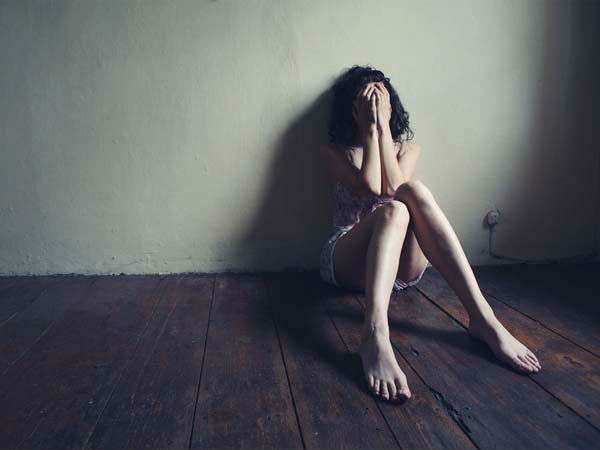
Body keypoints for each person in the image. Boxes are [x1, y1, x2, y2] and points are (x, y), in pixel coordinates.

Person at [319, 65, 541, 403]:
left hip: (400, 267)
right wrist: (370, 130)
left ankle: (483, 318)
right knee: (392, 210)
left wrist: (383, 131)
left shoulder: (408, 149)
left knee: (413, 192)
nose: (375, 106)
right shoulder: (335, 151)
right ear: (353, 107)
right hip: (348, 258)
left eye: (380, 101)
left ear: (390, 105)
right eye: (367, 101)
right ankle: (375, 333)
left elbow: (395, 187)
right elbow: (372, 189)